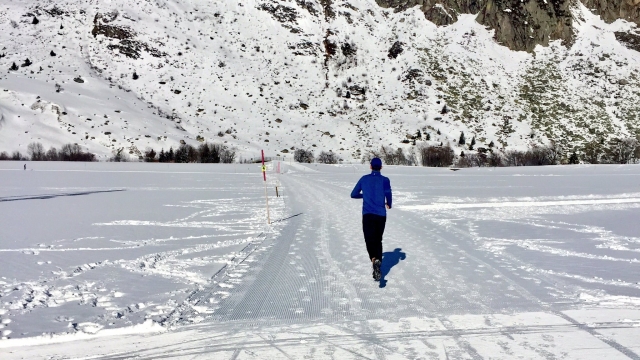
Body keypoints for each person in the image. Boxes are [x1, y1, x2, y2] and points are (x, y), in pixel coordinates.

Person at [350, 157, 392, 281]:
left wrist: (365, 195)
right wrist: (389, 203)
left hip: (368, 214)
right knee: (378, 239)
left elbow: (353, 194)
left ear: (370, 167)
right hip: (381, 215)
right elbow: (388, 194)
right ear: (381, 167)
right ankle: (377, 261)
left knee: (369, 239)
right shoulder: (385, 180)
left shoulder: (364, 179)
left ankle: (374, 259)